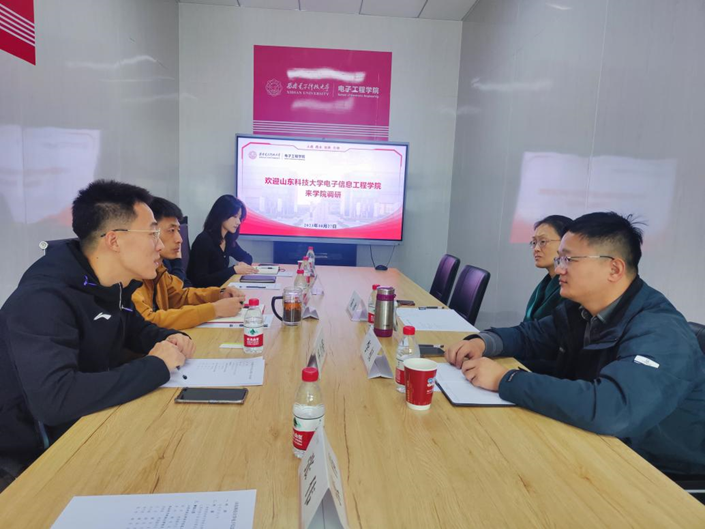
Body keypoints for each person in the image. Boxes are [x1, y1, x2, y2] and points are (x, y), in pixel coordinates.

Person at [445, 212, 705, 476]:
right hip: (594, 443)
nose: (559, 269)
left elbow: (613, 408)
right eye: (560, 259)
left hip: (655, 470)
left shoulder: (660, 331)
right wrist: (483, 342)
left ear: (614, 269)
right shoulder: (580, 310)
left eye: (569, 259)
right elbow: (532, 335)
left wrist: (506, 380)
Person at [0, 180, 195, 490]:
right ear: (114, 240)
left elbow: (136, 330)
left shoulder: (109, 286)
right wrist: (155, 366)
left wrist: (171, 337)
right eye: (152, 234)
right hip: (29, 458)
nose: (160, 246)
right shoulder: (43, 299)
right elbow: (55, 399)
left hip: (87, 425)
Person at [133, 197, 246, 330]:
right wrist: (214, 310)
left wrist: (219, 294)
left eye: (178, 231)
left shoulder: (158, 269)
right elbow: (147, 320)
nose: (179, 239)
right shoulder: (130, 277)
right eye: (171, 231)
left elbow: (179, 296)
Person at [187, 195, 257, 288]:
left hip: (221, 290)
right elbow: (200, 281)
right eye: (235, 217)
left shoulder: (228, 239)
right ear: (222, 215)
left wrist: (242, 265)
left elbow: (247, 257)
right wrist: (234, 270)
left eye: (239, 218)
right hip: (204, 294)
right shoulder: (203, 241)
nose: (238, 222)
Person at [525, 215, 572, 321]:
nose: (536, 249)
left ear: (566, 241)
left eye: (543, 242)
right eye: (534, 242)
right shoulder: (545, 283)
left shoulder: (571, 287)